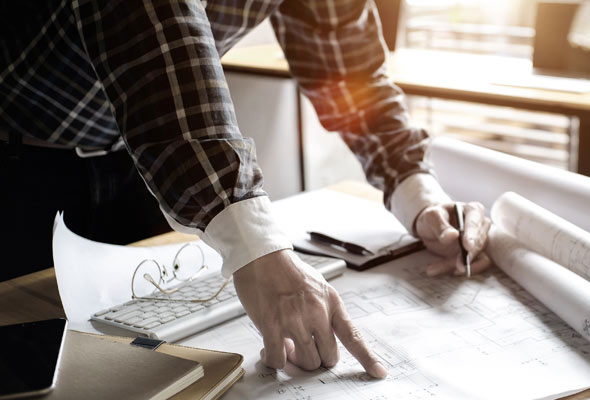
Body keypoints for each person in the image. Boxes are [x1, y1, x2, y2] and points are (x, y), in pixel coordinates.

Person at [0, 0, 491, 378]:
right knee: (25, 358)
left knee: (145, 362)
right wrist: (258, 246)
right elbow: (158, 32)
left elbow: (351, 72)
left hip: (150, 164)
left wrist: (415, 187)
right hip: (20, 157)